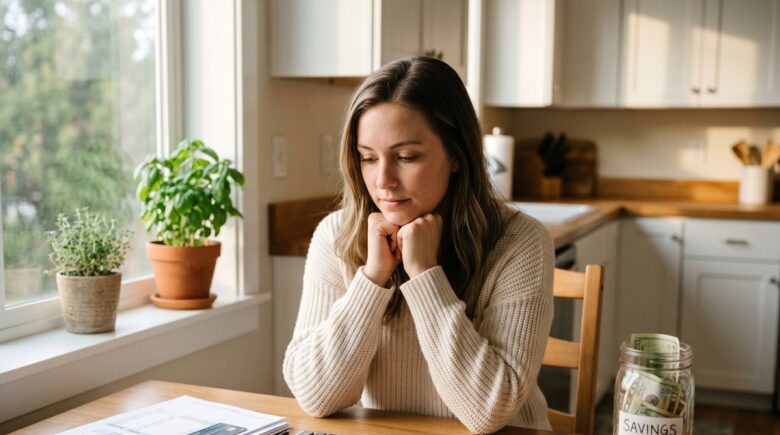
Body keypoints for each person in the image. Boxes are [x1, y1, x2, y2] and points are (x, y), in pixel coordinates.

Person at [283, 57, 554, 434]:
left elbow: (489, 412)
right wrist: (372, 278)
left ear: (457, 154)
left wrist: (425, 275)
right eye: (368, 158)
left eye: (406, 157)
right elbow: (316, 397)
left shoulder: (520, 242)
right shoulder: (337, 236)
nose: (383, 181)